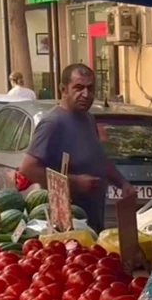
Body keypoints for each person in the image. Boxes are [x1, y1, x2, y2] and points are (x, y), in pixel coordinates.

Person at [18, 63, 135, 233]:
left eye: (90, 88)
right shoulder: (53, 123)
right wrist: (75, 183)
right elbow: (28, 168)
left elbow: (98, 159)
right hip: (66, 227)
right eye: (79, 88)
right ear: (63, 89)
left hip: (93, 221)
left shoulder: (88, 118)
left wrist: (122, 183)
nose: (86, 94)